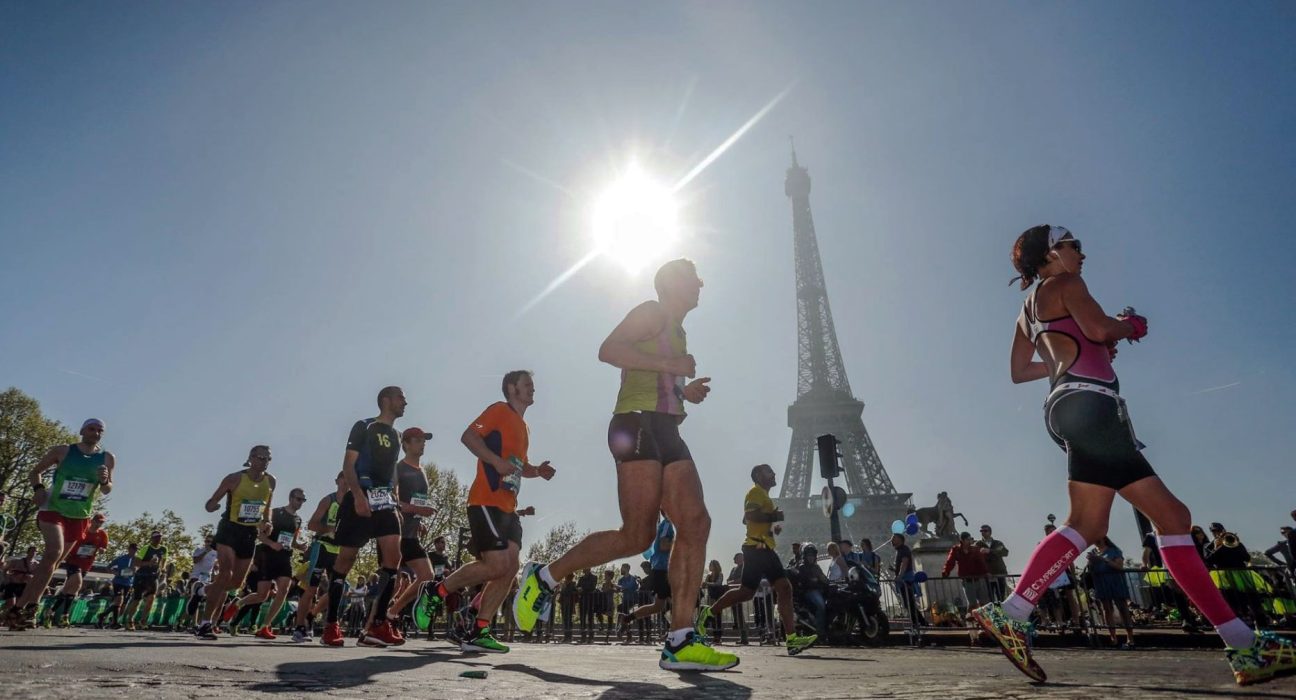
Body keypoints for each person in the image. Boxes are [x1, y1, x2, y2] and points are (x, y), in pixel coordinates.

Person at [974, 224, 1295, 685]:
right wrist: (1128, 327)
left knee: (1117, 522)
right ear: (1052, 254)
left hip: (1065, 406)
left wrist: (1086, 347)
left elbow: (1020, 371)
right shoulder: (1067, 283)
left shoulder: (1027, 309)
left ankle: (1015, 610)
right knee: (1161, 520)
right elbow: (1101, 326)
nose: (1081, 253)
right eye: (1073, 246)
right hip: (1094, 404)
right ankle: (1244, 648)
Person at [512, 259, 734, 671]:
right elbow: (609, 350)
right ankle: (544, 577)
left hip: (666, 428)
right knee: (636, 535)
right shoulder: (651, 312)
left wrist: (687, 393)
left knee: (696, 523)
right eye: (691, 276)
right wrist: (673, 368)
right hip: (635, 423)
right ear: (670, 284)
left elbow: (658, 376)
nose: (700, 282)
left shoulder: (679, 331)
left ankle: (681, 640)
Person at [411, 372, 556, 654]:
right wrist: (495, 461)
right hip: (485, 501)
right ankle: (436, 591)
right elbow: (468, 436)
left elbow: (519, 465)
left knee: (510, 567)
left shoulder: (524, 427)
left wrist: (537, 470)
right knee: (496, 565)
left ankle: (479, 630)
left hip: (509, 507)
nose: (533, 388)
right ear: (512, 388)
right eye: (527, 384)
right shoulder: (499, 410)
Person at [6, 418, 114, 630]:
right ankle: (31, 607)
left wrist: (104, 480)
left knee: (51, 564)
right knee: (53, 553)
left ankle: (18, 609)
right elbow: (34, 471)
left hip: (80, 515)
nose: (96, 433)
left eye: (100, 431)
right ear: (82, 430)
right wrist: (38, 489)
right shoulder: (63, 451)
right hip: (52, 509)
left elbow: (107, 489)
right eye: (92, 429)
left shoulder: (106, 458)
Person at [698, 464, 817, 655]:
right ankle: (792, 639)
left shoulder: (762, 495)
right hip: (758, 547)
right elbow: (749, 515)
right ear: (759, 476)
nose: (774, 473)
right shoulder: (755, 493)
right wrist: (773, 515)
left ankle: (708, 612)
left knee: (746, 592)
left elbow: (746, 521)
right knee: (784, 588)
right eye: (769, 471)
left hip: (760, 546)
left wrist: (771, 525)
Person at [320, 387, 406, 648]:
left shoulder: (397, 435)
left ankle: (377, 625)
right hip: (361, 498)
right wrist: (356, 495)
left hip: (385, 503)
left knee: (394, 559)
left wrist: (397, 501)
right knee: (345, 561)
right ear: (386, 401)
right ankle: (331, 624)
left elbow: (392, 472)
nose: (405, 402)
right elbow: (349, 464)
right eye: (401, 397)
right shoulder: (364, 426)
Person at [195, 445, 276, 640]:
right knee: (225, 573)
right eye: (260, 457)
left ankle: (201, 590)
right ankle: (205, 624)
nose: (264, 462)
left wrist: (267, 521)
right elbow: (211, 503)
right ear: (251, 458)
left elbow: (267, 507)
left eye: (268, 459)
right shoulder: (235, 478)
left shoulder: (271, 481)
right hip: (229, 529)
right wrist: (213, 506)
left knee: (235, 583)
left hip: (249, 533)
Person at [230, 488, 306, 640]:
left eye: (303, 500)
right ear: (291, 498)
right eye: (298, 499)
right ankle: (239, 603)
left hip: (284, 557)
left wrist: (300, 546)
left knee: (283, 590)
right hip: (267, 556)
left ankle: (265, 626)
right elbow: (261, 536)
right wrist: (272, 544)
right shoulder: (275, 513)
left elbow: (292, 540)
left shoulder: (298, 519)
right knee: (262, 596)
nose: (300, 503)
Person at [383, 428, 438, 627]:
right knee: (392, 583)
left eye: (424, 440)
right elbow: (391, 500)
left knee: (426, 576)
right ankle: (376, 622)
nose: (422, 443)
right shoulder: (398, 468)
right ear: (405, 444)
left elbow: (413, 503)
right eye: (417, 440)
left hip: (411, 535)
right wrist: (418, 509)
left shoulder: (422, 471)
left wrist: (419, 519)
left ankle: (391, 613)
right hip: (394, 534)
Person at [292, 473, 345, 642]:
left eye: (349, 480)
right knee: (311, 588)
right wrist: (329, 528)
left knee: (337, 589)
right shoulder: (329, 500)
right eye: (343, 479)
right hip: (322, 547)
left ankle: (311, 616)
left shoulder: (353, 502)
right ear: (337, 481)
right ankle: (299, 628)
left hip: (340, 550)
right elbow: (312, 524)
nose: (346, 483)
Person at [617, 516, 674, 638]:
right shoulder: (667, 524)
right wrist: (681, 543)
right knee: (678, 603)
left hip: (662, 570)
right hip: (664, 570)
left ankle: (627, 618)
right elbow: (664, 545)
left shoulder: (665, 524)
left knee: (658, 606)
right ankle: (677, 634)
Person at [50, 513, 109, 626]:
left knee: (70, 588)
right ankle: (65, 615)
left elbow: (104, 547)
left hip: (86, 564)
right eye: (97, 521)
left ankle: (52, 611)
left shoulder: (102, 534)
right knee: (77, 583)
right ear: (92, 521)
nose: (98, 524)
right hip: (73, 561)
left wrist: (102, 550)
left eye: (101, 522)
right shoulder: (83, 530)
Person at [1088, 536, 1135, 648]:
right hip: (1101, 582)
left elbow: (1119, 566)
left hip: (1115, 580)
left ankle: (1130, 636)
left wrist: (1104, 560)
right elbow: (1091, 569)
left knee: (1123, 608)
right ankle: (1113, 636)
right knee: (1107, 609)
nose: (1096, 541)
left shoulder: (1114, 550)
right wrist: (1091, 561)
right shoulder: (1094, 552)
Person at [123, 530, 168, 630]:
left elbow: (164, 560)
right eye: (156, 537)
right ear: (152, 538)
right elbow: (137, 563)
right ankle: (130, 620)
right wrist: (149, 563)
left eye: (160, 537)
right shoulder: (146, 548)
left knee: (151, 598)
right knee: (137, 599)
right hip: (142, 575)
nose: (158, 539)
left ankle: (143, 620)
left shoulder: (164, 549)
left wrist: (162, 568)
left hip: (153, 577)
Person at [941, 532, 991, 610]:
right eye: (968, 539)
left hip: (979, 578)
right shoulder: (956, 550)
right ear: (963, 540)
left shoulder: (975, 549)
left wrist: (986, 572)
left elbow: (981, 562)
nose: (970, 541)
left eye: (970, 539)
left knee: (984, 603)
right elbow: (950, 562)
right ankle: (972, 620)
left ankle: (986, 620)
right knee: (972, 604)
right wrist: (946, 572)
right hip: (967, 580)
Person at [96, 542, 137, 629]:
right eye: (132, 549)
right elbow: (108, 567)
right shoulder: (121, 558)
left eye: (135, 550)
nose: (133, 551)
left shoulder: (136, 560)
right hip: (118, 582)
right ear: (129, 549)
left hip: (128, 583)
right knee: (119, 600)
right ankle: (110, 620)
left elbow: (136, 570)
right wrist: (115, 572)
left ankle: (108, 619)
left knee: (120, 603)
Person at [892, 533, 923, 629]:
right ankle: (920, 622)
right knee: (909, 603)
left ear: (900, 539)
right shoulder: (900, 550)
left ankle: (918, 623)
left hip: (906, 580)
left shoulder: (904, 549)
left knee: (909, 603)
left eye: (894, 538)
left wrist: (900, 576)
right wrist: (895, 570)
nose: (891, 540)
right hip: (904, 580)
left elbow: (904, 563)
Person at [977, 525, 1010, 601]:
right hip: (988, 574)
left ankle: (1001, 612)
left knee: (1001, 596)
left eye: (985, 531)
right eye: (981, 531)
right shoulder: (978, 544)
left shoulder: (997, 543)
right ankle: (995, 612)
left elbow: (1005, 552)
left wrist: (990, 551)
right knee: (990, 597)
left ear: (990, 532)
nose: (983, 532)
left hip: (1000, 572)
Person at [3, 546, 38, 613]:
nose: (34, 552)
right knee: (10, 605)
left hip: (24, 586)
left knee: (18, 606)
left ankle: (11, 620)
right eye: (32, 551)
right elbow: (5, 570)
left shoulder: (37, 564)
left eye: (35, 551)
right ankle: (4, 617)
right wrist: (7, 579)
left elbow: (37, 576)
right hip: (12, 584)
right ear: (28, 552)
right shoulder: (18, 561)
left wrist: (31, 578)